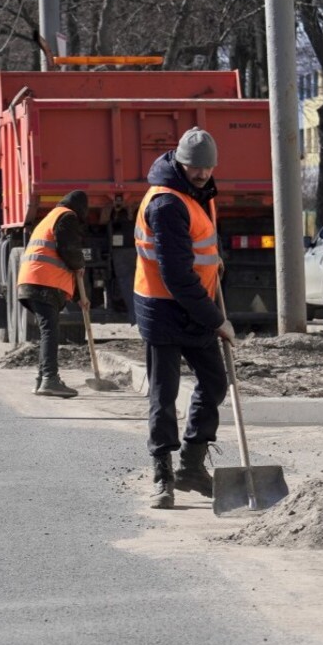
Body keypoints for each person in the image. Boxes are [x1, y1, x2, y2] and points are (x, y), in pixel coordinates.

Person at [134, 126, 234, 509]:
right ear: (179, 161)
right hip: (163, 310)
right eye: (195, 167)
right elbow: (175, 275)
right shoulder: (165, 204)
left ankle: (191, 465)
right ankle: (162, 474)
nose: (202, 173)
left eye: (207, 167)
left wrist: (215, 263)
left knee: (214, 383)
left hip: (193, 305)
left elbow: (198, 244)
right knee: (164, 394)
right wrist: (216, 320)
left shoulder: (198, 192)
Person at [17, 191, 89, 398]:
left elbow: (56, 257)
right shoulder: (67, 217)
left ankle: (42, 379)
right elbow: (68, 249)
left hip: (32, 282)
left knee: (47, 329)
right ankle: (50, 379)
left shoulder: (51, 216)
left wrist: (78, 297)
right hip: (43, 282)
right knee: (50, 330)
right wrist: (80, 264)